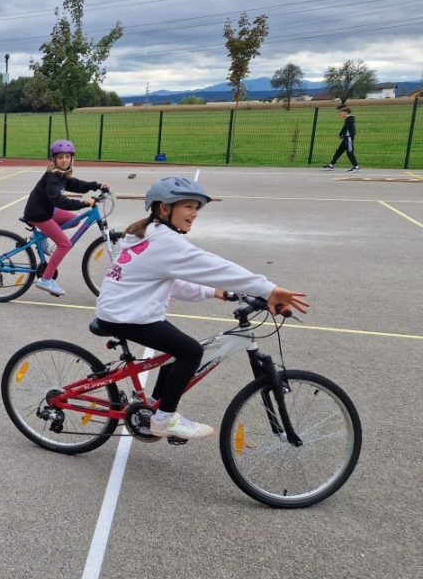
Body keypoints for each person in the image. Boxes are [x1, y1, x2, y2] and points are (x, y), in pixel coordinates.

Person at [95, 176, 309, 440]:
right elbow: (213, 265)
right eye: (188, 206)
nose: (194, 213)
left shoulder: (150, 233)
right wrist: (268, 289)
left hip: (127, 310)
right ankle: (164, 419)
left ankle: (153, 406)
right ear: (164, 209)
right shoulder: (165, 241)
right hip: (125, 315)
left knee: (175, 352)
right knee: (190, 351)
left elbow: (169, 281)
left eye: (197, 207)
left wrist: (218, 293)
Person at [22, 139, 110, 296]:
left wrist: (97, 185)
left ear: (71, 159)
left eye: (67, 157)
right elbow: (59, 200)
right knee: (64, 244)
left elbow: (77, 184)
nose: (64, 160)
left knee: (73, 220)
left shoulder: (61, 175)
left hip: (48, 210)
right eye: (60, 157)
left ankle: (41, 237)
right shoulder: (52, 177)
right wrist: (83, 203)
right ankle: (46, 279)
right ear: (54, 160)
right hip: (38, 214)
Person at [323, 106, 360, 173]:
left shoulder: (349, 119)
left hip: (349, 138)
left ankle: (356, 167)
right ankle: (331, 165)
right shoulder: (349, 119)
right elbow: (348, 129)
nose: (340, 114)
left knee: (350, 152)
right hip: (346, 138)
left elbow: (345, 128)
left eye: (341, 112)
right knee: (338, 151)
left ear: (346, 112)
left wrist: (340, 134)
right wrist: (343, 136)